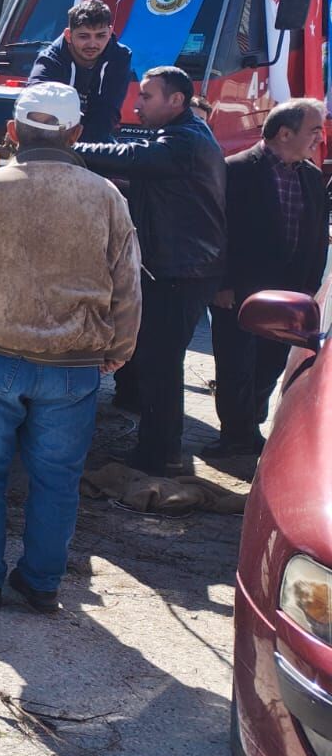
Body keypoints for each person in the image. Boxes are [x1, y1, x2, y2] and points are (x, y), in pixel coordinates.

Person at [0, 82, 142, 612]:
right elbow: (128, 281)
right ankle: (42, 583)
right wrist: (120, 345)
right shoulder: (106, 197)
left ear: (13, 131)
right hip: (74, 365)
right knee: (57, 480)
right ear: (76, 134)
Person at [76, 66, 226, 476]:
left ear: (176, 100)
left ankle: (159, 456)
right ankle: (157, 447)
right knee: (155, 362)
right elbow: (137, 160)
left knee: (161, 364)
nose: (137, 105)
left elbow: (132, 158)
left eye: (146, 97)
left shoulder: (185, 141)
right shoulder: (180, 137)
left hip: (180, 271)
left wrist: (69, 147)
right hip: (180, 267)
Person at [206, 99, 328, 459]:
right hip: (240, 292)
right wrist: (222, 284)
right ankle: (235, 436)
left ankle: (250, 425)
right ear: (285, 133)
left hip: (289, 294)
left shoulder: (310, 176)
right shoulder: (236, 170)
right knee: (235, 366)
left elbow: (318, 235)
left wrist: (310, 287)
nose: (320, 138)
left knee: (271, 364)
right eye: (314, 130)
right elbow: (216, 230)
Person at [28, 0, 136, 143]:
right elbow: (35, 102)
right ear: (68, 35)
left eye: (100, 36)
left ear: (110, 32)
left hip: (95, 139)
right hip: (54, 137)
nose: (92, 44)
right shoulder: (50, 59)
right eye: (84, 36)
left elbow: (109, 111)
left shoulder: (120, 57)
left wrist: (85, 150)